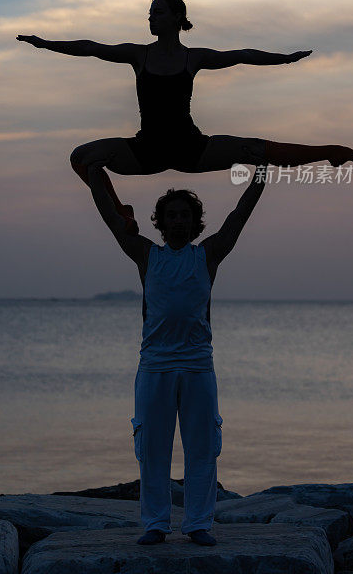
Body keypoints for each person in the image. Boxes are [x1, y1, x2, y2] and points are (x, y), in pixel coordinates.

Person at [17, 0, 353, 235]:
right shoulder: (138, 55)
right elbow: (92, 48)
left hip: (190, 147)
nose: (150, 17)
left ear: (176, 18)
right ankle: (122, 212)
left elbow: (242, 54)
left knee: (256, 149)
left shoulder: (193, 57)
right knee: (81, 157)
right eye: (149, 12)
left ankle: (332, 153)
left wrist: (284, 59)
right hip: (147, 150)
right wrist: (46, 44)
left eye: (157, 11)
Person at [86, 154, 268, 546]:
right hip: (154, 367)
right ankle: (155, 524)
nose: (179, 221)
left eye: (185, 215)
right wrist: (92, 177)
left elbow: (239, 215)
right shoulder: (147, 255)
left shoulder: (208, 255)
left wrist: (263, 172)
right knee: (152, 451)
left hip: (199, 367)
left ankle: (199, 524)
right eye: (172, 215)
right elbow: (111, 219)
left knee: (203, 451)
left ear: (195, 221)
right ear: (162, 222)